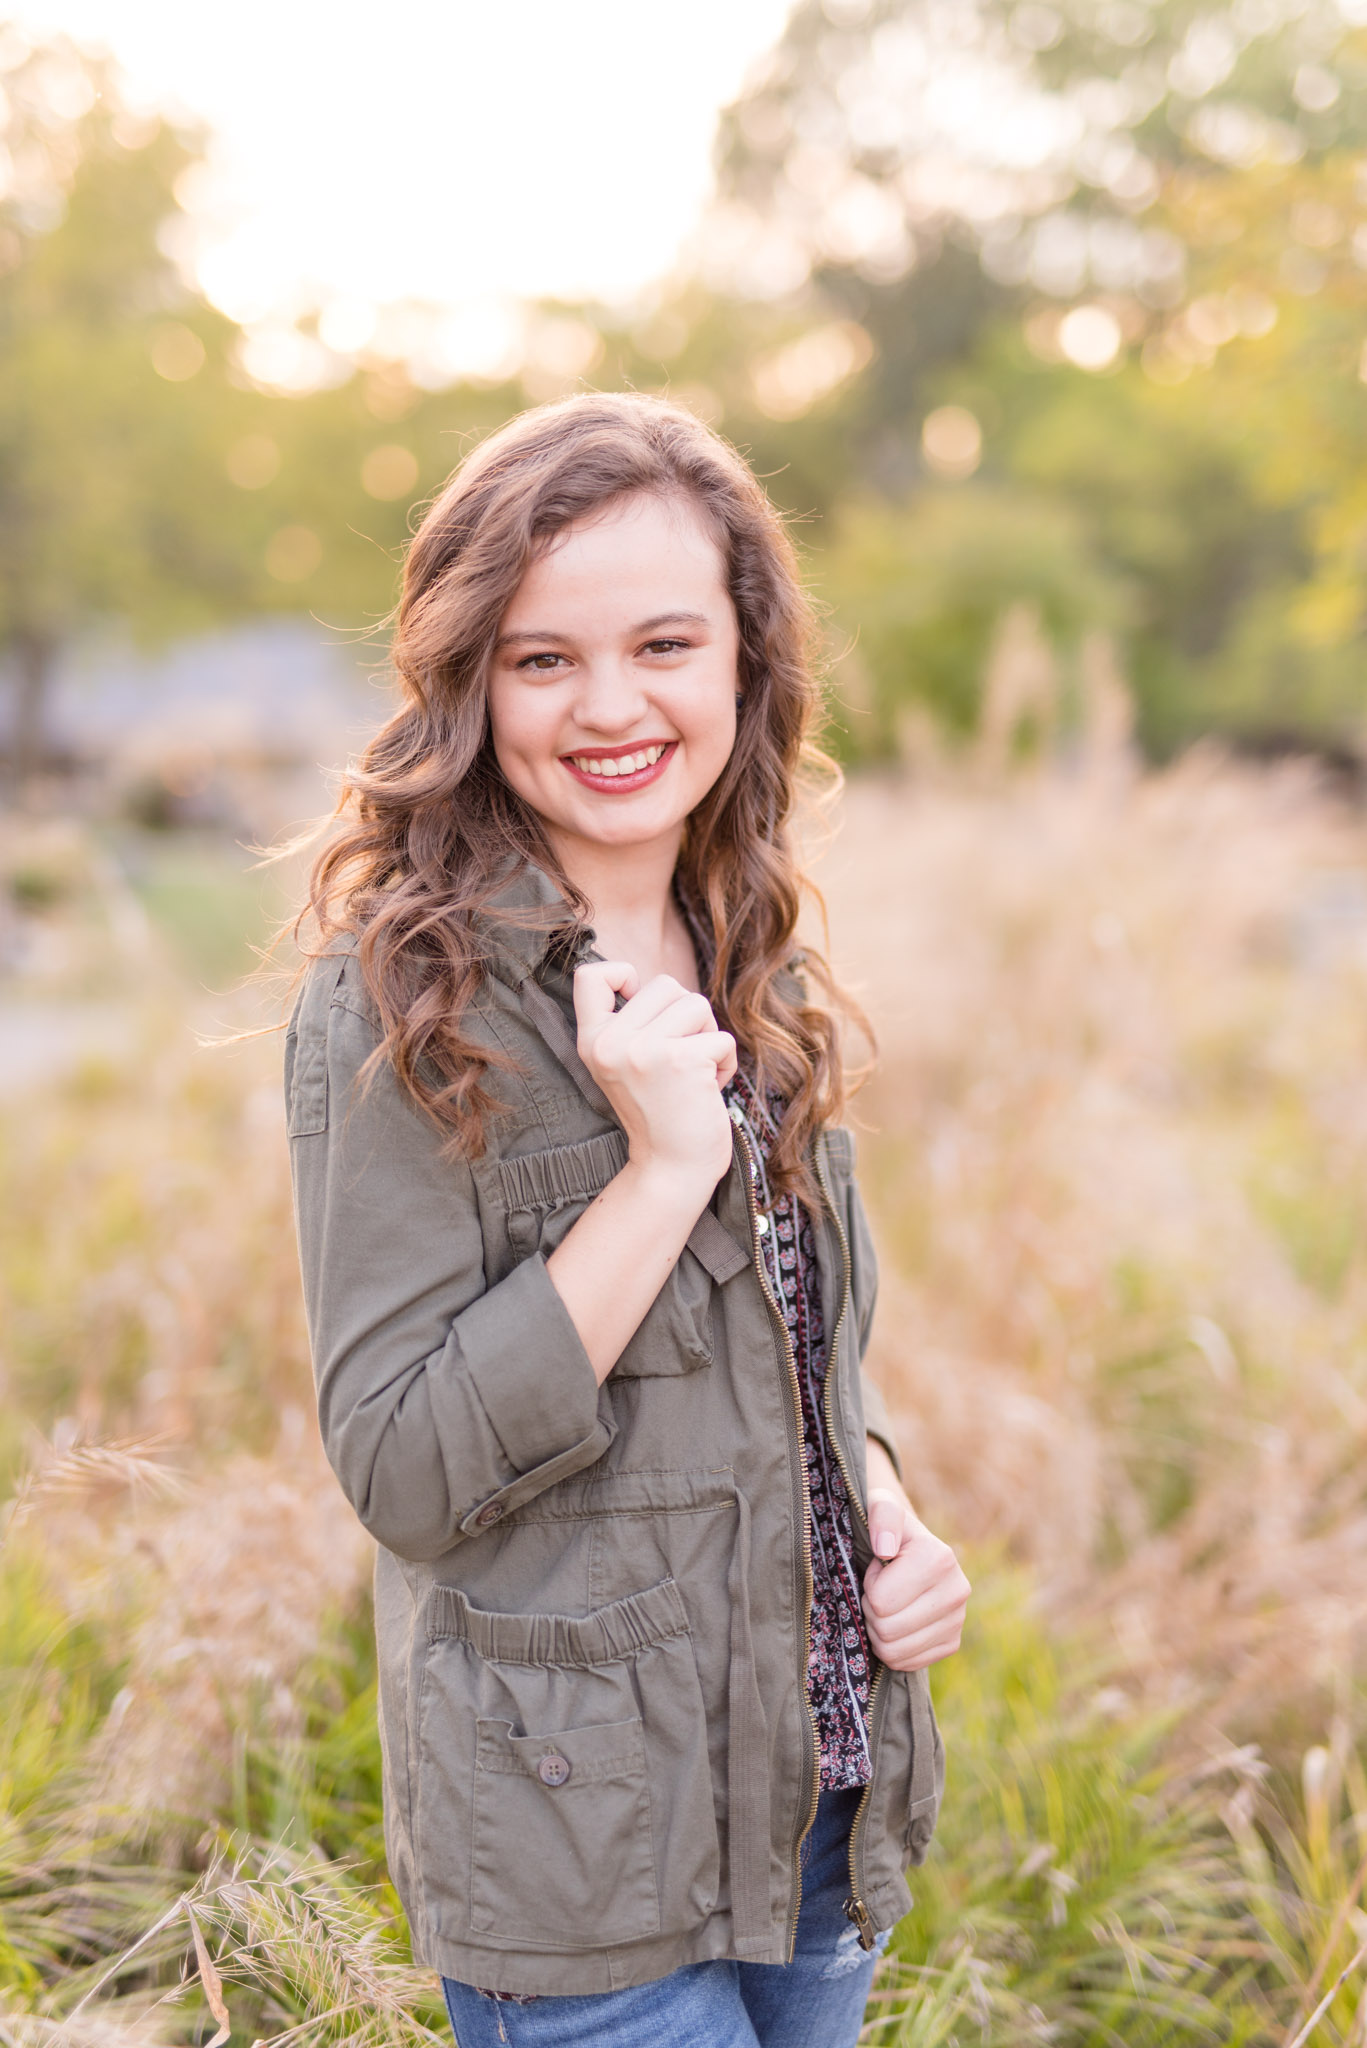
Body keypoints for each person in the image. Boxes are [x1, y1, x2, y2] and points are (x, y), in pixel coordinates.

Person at [285, 392, 970, 2048]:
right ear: (468, 681)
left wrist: (881, 1501)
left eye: (664, 642)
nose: (612, 707)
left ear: (745, 659)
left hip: (815, 1800)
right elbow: (406, 1471)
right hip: (580, 1858)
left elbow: (803, 1347)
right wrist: (661, 1175)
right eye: (541, 658)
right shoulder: (405, 1005)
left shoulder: (760, 961)